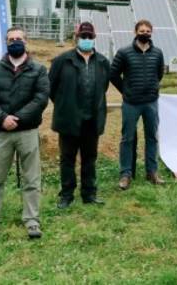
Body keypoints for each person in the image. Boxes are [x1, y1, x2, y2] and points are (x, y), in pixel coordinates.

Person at [0, 27, 50, 241]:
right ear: (6, 43)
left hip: (27, 131)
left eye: (18, 38)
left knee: (32, 179)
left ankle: (32, 220)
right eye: (11, 39)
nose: (15, 41)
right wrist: (2, 118)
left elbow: (41, 97)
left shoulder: (38, 69)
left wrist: (17, 118)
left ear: (26, 42)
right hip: (1, 133)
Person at [49, 22, 111, 209]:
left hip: (92, 120)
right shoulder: (62, 61)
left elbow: (104, 87)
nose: (86, 39)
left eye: (89, 37)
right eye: (83, 36)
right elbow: (51, 88)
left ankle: (89, 194)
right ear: (76, 37)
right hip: (68, 120)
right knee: (67, 158)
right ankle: (66, 195)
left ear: (94, 38)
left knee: (89, 158)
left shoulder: (102, 62)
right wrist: (65, 105)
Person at [110, 19, 166, 190]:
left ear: (151, 33)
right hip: (131, 103)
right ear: (135, 32)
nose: (145, 33)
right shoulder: (124, 52)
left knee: (152, 137)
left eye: (148, 31)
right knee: (127, 138)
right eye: (141, 30)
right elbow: (113, 74)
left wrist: (152, 88)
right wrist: (125, 91)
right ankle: (125, 174)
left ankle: (152, 172)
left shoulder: (157, 53)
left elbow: (159, 74)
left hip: (150, 103)